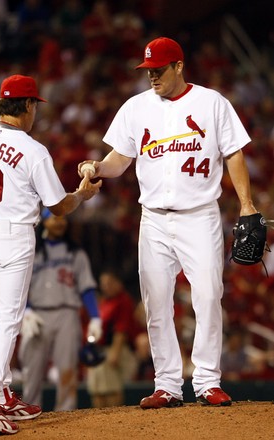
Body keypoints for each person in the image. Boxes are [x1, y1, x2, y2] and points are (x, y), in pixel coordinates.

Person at [78, 37, 259, 408]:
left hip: (199, 214)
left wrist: (247, 205)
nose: (152, 77)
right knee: (156, 302)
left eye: (159, 70)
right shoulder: (136, 107)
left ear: (179, 66)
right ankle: (167, 384)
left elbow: (234, 154)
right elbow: (119, 159)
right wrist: (97, 167)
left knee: (208, 296)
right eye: (148, 71)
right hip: (154, 219)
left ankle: (207, 380)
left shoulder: (211, 103)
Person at [0, 74, 101, 435]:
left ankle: (5, 392)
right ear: (28, 106)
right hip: (11, 237)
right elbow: (57, 208)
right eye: (34, 106)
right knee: (6, 321)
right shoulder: (31, 148)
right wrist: (82, 195)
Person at [18, 208, 102, 411]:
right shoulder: (30, 250)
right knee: (32, 370)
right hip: (37, 314)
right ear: (44, 222)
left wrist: (95, 317)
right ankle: (30, 411)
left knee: (68, 368)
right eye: (55, 218)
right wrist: (26, 311)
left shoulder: (76, 252)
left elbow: (87, 287)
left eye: (63, 218)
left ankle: (66, 416)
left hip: (67, 314)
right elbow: (19, 285)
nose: (60, 222)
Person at [86, 269, 138, 408]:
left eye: (109, 283)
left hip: (113, 349)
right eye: (103, 284)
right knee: (97, 390)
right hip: (100, 350)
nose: (105, 287)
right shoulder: (104, 302)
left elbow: (122, 329)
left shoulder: (123, 300)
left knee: (110, 389)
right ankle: (101, 422)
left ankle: (113, 421)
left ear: (118, 283)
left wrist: (115, 351)